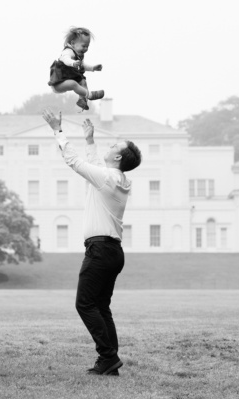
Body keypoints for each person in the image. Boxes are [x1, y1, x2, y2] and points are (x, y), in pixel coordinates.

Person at [41, 110, 142, 376]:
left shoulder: (107, 178)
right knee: (101, 307)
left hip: (99, 250)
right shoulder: (118, 179)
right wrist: (90, 141)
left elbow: (74, 162)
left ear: (118, 157)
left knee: (84, 304)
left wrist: (57, 130)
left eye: (114, 147)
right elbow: (98, 166)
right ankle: (110, 361)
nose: (111, 147)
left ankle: (107, 357)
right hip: (113, 252)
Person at [48, 27, 104, 112]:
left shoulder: (78, 54)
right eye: (83, 46)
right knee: (73, 83)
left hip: (67, 79)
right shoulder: (68, 51)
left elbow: (82, 65)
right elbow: (66, 59)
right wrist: (73, 63)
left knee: (83, 81)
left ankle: (82, 100)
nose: (85, 49)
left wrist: (93, 68)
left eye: (87, 46)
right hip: (58, 82)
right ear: (73, 43)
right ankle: (90, 95)